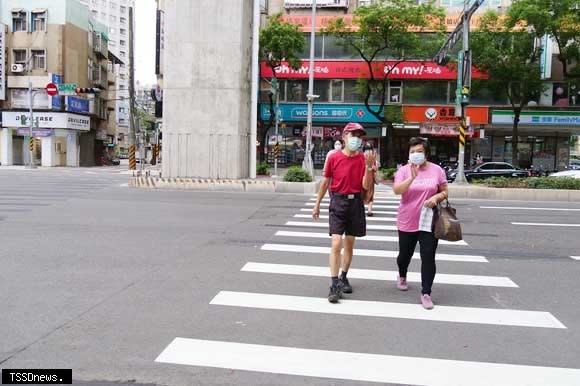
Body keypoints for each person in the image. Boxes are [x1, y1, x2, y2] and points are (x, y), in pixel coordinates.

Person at [313, 122, 376, 303]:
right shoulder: (334, 157)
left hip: (356, 202)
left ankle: (344, 276)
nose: (356, 138)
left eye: (359, 135)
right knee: (336, 243)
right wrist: (317, 204)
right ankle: (334, 284)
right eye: (352, 134)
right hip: (338, 202)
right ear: (344, 137)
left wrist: (369, 168)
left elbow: (365, 186)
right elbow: (325, 182)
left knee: (349, 244)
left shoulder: (364, 159)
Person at [392, 137, 448, 310]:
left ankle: (426, 292)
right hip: (407, 220)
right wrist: (411, 178)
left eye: (419, 151)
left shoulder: (437, 170)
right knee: (404, 256)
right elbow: (396, 191)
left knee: (428, 257)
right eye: (412, 152)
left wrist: (436, 197)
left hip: (429, 221)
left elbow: (445, 191)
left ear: (426, 153)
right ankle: (402, 274)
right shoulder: (403, 170)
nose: (415, 154)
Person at [362, 142, 380, 217]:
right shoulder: (361, 158)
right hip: (362, 179)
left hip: (371, 179)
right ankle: (361, 208)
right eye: (366, 149)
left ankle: (369, 210)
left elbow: (376, 169)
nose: (368, 151)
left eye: (369, 149)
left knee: (370, 194)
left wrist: (373, 168)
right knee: (362, 194)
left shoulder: (374, 159)